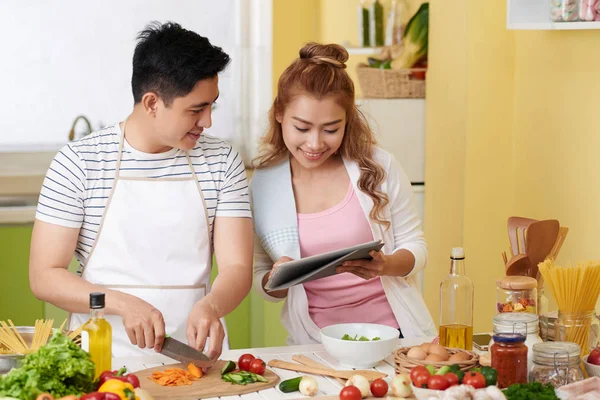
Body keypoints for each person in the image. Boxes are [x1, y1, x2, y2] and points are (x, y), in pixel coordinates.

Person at [29, 22, 253, 359]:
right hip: (99, 358)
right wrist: (121, 304)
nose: (207, 122)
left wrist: (211, 306)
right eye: (195, 110)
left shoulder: (222, 161)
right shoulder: (79, 162)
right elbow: (44, 276)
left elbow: (237, 267)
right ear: (151, 103)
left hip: (195, 359)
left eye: (211, 106)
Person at [251, 42, 436, 345]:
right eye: (302, 128)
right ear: (280, 114)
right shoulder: (263, 185)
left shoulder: (378, 167)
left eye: (331, 129)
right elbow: (260, 278)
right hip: (313, 342)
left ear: (348, 121)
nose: (315, 144)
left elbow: (416, 247)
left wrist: (385, 265)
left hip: (396, 336)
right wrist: (276, 280)